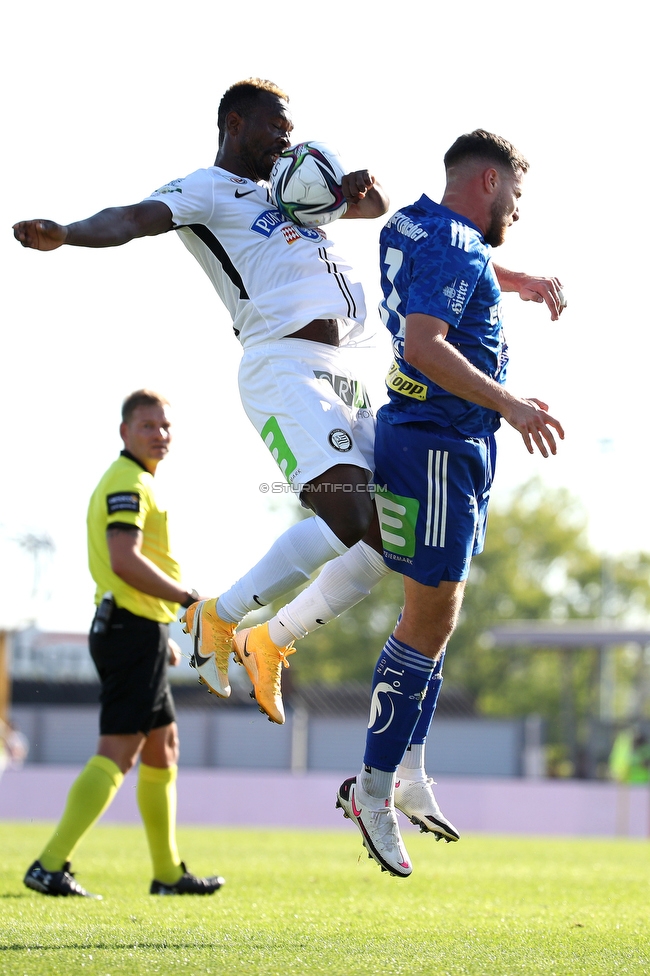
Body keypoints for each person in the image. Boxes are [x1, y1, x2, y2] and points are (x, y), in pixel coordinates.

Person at [12, 79, 565, 743]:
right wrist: (68, 233)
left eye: (291, 129)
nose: (286, 139)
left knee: (391, 539)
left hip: (353, 375)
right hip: (285, 367)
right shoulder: (206, 190)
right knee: (349, 511)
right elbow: (132, 219)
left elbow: (381, 205)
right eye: (276, 128)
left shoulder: (297, 188)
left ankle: (268, 642)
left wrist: (354, 186)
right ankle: (213, 618)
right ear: (235, 124)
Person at [335, 129, 566, 877]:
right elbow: (426, 344)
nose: (519, 211)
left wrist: (516, 280)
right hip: (437, 443)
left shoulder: (414, 222)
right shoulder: (457, 247)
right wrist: (514, 405)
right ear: (491, 182)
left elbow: (453, 267)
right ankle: (373, 788)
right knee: (426, 618)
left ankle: (404, 775)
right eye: (517, 197)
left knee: (438, 616)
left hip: (438, 441)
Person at [23, 390, 224, 898]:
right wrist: (186, 600)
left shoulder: (138, 481)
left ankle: (167, 875)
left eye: (165, 426)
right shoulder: (128, 482)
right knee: (118, 751)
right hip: (128, 631)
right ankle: (49, 865)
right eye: (147, 425)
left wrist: (160, 630)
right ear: (124, 432)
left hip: (137, 630)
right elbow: (124, 559)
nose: (159, 434)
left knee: (164, 748)